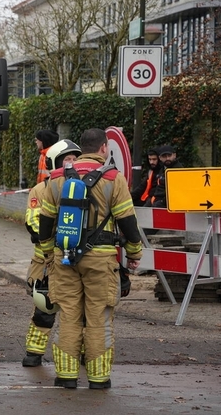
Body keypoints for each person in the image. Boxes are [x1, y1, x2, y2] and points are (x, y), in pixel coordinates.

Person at [36, 128, 143, 389]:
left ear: (81, 148)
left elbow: (46, 222)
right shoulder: (113, 178)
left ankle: (66, 376)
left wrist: (49, 252)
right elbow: (127, 221)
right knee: (99, 318)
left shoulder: (56, 177)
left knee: (68, 316)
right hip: (101, 259)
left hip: (64, 257)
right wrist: (134, 253)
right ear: (104, 148)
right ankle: (97, 378)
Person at [21, 138, 81, 367]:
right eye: (67, 159)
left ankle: (83, 350)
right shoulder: (40, 189)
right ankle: (34, 352)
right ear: (55, 163)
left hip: (77, 256)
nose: (72, 163)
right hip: (46, 258)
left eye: (75, 159)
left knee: (80, 308)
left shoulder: (84, 186)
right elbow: (33, 222)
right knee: (44, 305)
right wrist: (57, 241)